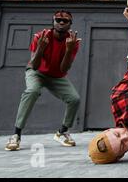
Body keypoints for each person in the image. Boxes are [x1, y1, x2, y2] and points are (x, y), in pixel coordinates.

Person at [5, 10, 81, 151]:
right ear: (53, 22)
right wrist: (41, 47)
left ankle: (62, 132)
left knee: (74, 98)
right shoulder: (41, 36)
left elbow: (64, 69)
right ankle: (16, 135)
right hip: (37, 72)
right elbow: (34, 65)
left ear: (70, 24)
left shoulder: (72, 42)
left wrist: (69, 50)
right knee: (32, 91)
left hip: (57, 76)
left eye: (65, 21)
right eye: (58, 20)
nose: (61, 22)